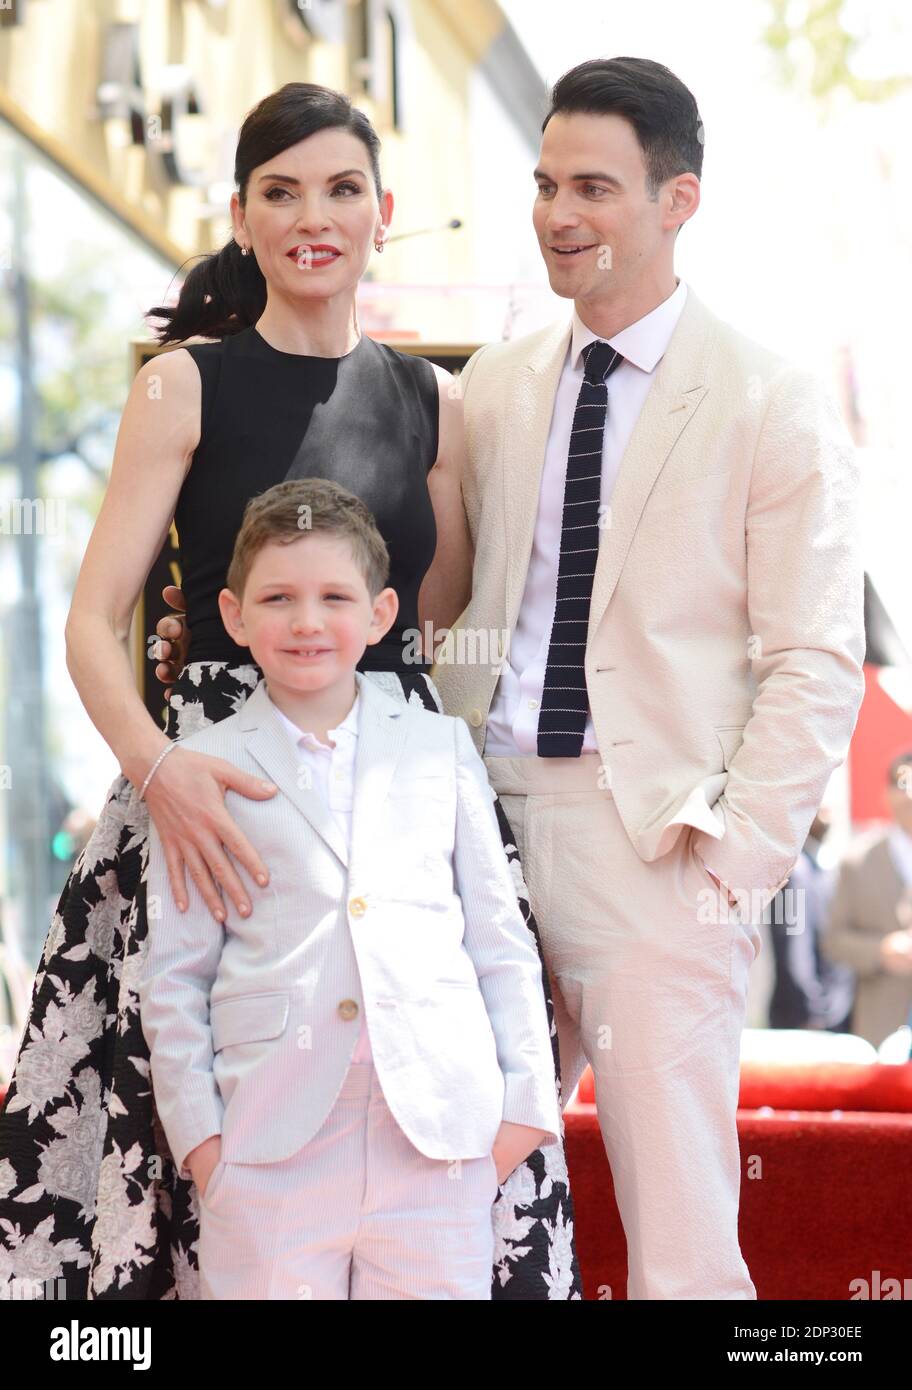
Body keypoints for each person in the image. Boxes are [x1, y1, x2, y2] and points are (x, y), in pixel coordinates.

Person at [0, 82, 580, 1301]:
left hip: (397, 798)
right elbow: (91, 622)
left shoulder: (441, 402)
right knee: (147, 1178)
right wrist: (164, 775)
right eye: (282, 191)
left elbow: (434, 627)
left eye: (342, 189)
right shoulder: (183, 385)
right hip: (204, 799)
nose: (313, 217)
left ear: (383, 214)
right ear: (243, 215)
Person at [431, 56, 866, 1299]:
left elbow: (815, 654)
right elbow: (466, 603)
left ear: (679, 200)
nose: (558, 213)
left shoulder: (768, 399)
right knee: (454, 1182)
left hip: (658, 849)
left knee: (677, 1232)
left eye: (595, 187)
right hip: (483, 826)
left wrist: (732, 866)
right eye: (545, 183)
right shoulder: (498, 384)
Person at [140, 477, 560, 1300]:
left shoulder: (440, 748)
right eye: (279, 598)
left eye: (335, 596)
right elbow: (175, 978)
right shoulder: (203, 771)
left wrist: (519, 1118)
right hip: (270, 1148)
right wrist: (207, 1151)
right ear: (232, 616)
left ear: (378, 614)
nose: (306, 621)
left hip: (437, 1144)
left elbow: (500, 943)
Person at [819, 751, 912, 1047]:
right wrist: (881, 951)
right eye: (904, 784)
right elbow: (834, 941)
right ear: (887, 794)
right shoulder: (857, 860)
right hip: (883, 1027)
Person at [767, 807, 855, 1033]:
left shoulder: (824, 866)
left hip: (834, 1012)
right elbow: (794, 950)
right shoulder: (794, 873)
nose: (825, 815)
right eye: (818, 807)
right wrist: (812, 1011)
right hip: (807, 1017)